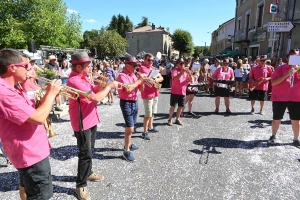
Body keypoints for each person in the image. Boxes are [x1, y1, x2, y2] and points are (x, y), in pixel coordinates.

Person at [0, 48, 63, 200]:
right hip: (29, 153)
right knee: (41, 195)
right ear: (13, 67)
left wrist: (48, 95)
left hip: (30, 150)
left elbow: (30, 112)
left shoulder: (14, 87)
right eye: (26, 66)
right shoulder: (4, 91)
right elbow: (39, 117)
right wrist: (52, 94)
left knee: (26, 188)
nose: (30, 70)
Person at [66, 51, 118, 200]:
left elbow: (93, 91)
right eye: (88, 66)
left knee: (90, 150)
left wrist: (102, 84)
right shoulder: (75, 81)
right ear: (78, 67)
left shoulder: (83, 77)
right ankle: (80, 185)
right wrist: (109, 87)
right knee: (85, 154)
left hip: (91, 119)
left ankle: (88, 173)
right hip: (82, 123)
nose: (91, 68)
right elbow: (95, 99)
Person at [268, 49, 300, 148]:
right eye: (292, 57)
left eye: (297, 57)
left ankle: (296, 139)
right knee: (276, 119)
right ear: (287, 58)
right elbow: (273, 83)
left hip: (296, 98)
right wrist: (287, 74)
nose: (294, 59)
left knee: (296, 121)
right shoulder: (280, 69)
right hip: (280, 98)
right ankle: (273, 136)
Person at [117, 56, 146, 162]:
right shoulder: (121, 76)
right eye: (134, 66)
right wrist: (139, 80)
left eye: (136, 66)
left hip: (134, 101)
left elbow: (141, 89)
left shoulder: (134, 75)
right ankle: (126, 151)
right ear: (127, 65)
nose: (135, 68)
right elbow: (128, 88)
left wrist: (142, 81)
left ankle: (128, 143)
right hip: (126, 102)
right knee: (130, 127)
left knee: (132, 125)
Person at [139, 53, 163, 139]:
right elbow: (147, 78)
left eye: (152, 60)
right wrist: (153, 78)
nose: (151, 62)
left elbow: (161, 78)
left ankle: (150, 126)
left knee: (153, 112)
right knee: (148, 114)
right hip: (147, 93)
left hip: (155, 92)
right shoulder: (142, 68)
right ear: (145, 60)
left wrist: (156, 79)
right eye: (149, 60)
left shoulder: (153, 68)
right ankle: (144, 132)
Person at [168, 58, 192, 126]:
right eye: (181, 63)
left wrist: (190, 74)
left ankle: (177, 119)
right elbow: (175, 78)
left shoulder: (185, 72)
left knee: (181, 106)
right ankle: (170, 119)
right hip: (175, 92)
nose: (183, 65)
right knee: (173, 106)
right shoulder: (174, 70)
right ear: (177, 64)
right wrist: (182, 72)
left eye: (183, 63)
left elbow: (190, 80)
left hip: (183, 92)